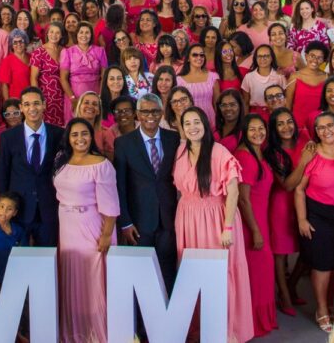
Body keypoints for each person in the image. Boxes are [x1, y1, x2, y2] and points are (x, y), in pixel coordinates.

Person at [173, 106, 254, 342]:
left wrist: (227, 227)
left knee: (220, 273)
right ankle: (200, 326)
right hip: (188, 216)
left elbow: (233, 192)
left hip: (215, 217)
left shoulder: (219, 152)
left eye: (196, 122)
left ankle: (226, 329)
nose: (192, 127)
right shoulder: (180, 150)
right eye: (187, 123)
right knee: (192, 274)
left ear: (205, 124)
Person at [53, 117, 120, 343]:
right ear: (68, 138)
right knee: (72, 279)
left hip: (92, 227)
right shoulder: (62, 161)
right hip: (67, 229)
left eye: (84, 134)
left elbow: (110, 206)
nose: (80, 138)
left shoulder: (101, 164)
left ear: (91, 137)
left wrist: (106, 235)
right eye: (75, 134)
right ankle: (74, 333)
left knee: (92, 282)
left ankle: (96, 333)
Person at [113, 92, 180, 293]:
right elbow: (120, 186)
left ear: (161, 113)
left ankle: (167, 315)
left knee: (168, 269)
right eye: (145, 111)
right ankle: (144, 320)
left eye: (155, 111)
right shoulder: (124, 143)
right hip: (139, 222)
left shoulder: (174, 138)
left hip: (169, 218)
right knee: (142, 273)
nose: (150, 115)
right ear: (137, 114)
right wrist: (125, 221)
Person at [295, 111, 334, 334]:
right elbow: (299, 189)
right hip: (318, 215)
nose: (326, 130)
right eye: (321, 127)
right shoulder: (312, 155)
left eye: (330, 126)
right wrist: (302, 219)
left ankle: (329, 302)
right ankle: (321, 309)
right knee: (322, 265)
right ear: (316, 132)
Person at [0, 87, 64, 246]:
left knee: (48, 258)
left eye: (36, 103)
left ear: (44, 105)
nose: (32, 108)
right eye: (27, 104)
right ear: (21, 107)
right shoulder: (8, 137)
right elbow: (3, 173)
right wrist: (4, 209)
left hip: (49, 207)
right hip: (19, 208)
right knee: (20, 259)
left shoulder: (59, 134)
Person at [235, 113, 278, 337]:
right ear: (244, 131)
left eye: (261, 128)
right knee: (258, 274)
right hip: (251, 224)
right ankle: (252, 323)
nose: (258, 133)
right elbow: (243, 199)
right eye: (252, 129)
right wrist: (255, 231)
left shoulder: (259, 152)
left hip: (261, 219)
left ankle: (261, 320)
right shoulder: (245, 156)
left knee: (263, 274)